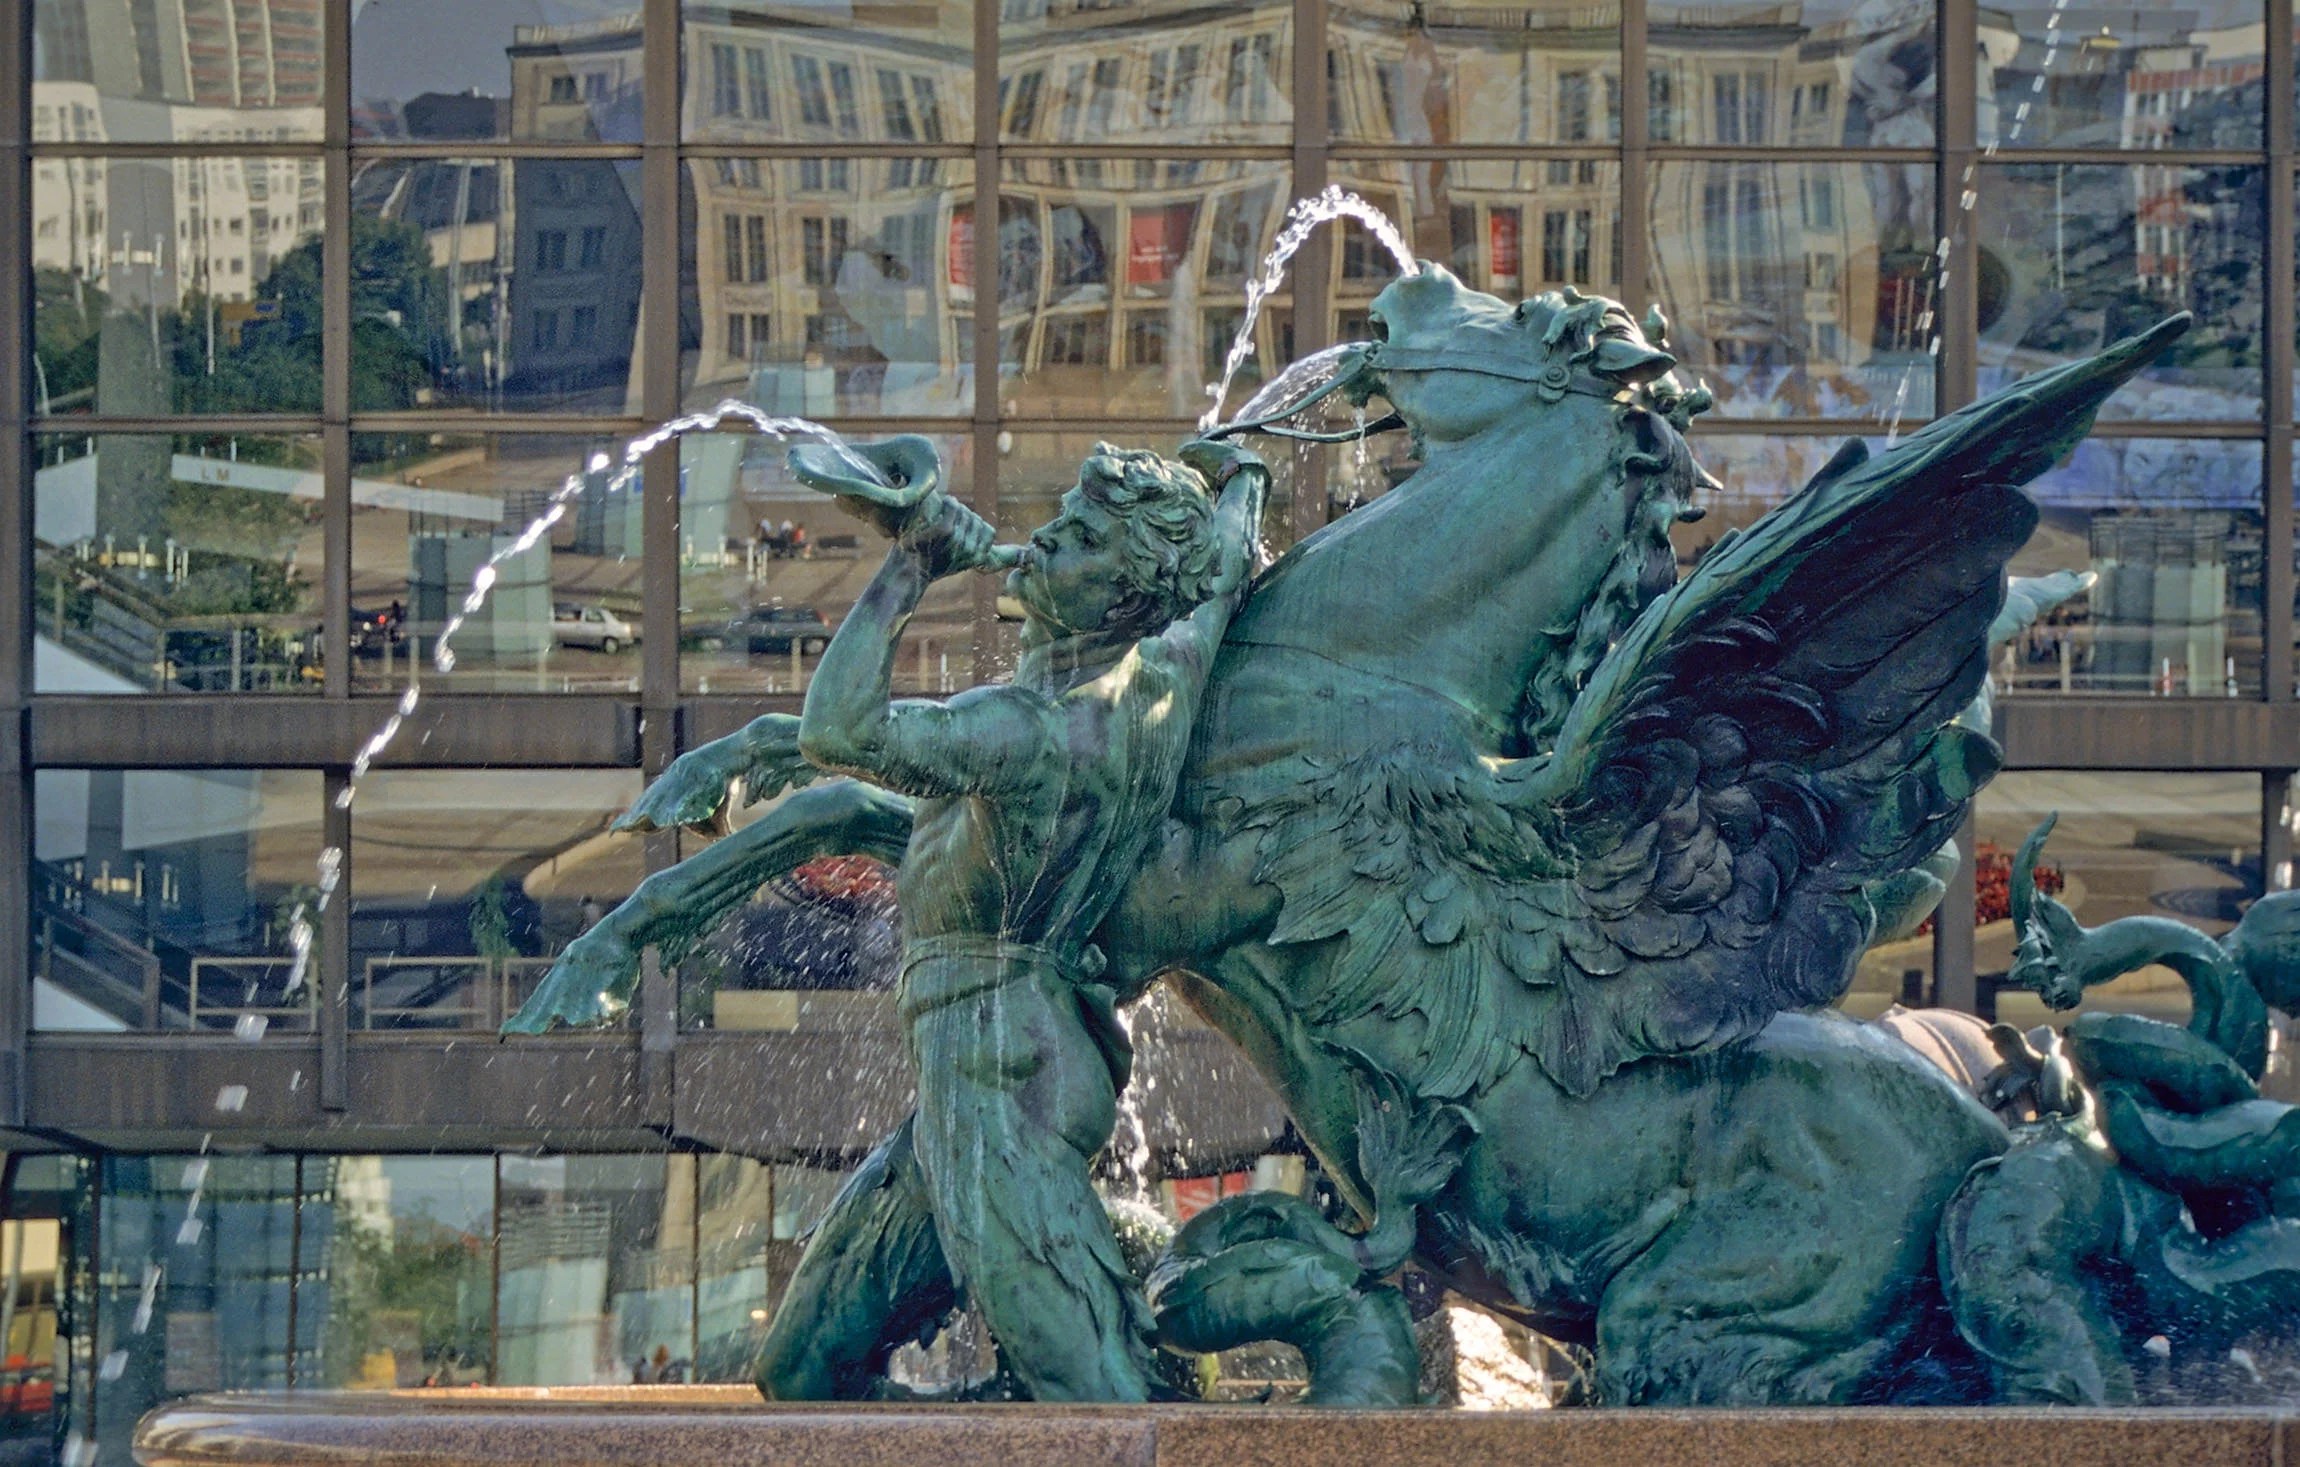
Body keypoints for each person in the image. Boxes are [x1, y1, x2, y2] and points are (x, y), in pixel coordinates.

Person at [765, 435, 1266, 1402]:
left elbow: (835, 730)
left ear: (1119, 599)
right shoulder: (1164, 674)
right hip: (982, 1078)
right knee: (799, 1373)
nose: (1042, 544)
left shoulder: (1034, 732)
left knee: (1103, 1415)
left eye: (1076, 541)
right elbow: (1226, 573)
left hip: (1001, 1088)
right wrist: (1241, 478)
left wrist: (912, 565)